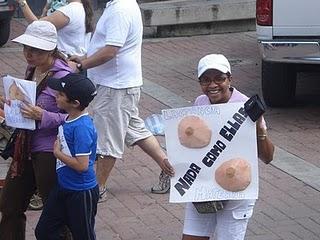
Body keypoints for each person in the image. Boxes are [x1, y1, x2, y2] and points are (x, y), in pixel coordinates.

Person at [69, 0, 174, 202]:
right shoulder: (120, 5)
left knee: (108, 140)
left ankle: (98, 189)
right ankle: (172, 169)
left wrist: (82, 65)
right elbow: (106, 46)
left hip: (115, 86)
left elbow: (111, 50)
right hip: (120, 85)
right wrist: (84, 56)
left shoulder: (120, 9)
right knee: (134, 129)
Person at [181, 54, 275, 240]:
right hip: (205, 187)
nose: (212, 85)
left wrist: (256, 125)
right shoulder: (200, 102)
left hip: (236, 189)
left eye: (219, 78)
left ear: (229, 79)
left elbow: (268, 157)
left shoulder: (246, 106)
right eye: (206, 80)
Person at [0, 20, 73, 240]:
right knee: (10, 204)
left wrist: (43, 116)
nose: (28, 54)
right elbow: (28, 104)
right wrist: (10, 105)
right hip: (26, 146)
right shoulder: (33, 69)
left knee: (55, 210)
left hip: (50, 150)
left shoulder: (63, 76)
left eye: (35, 49)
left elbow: (75, 117)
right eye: (26, 48)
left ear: (50, 49)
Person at [35, 73, 99, 240]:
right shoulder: (69, 118)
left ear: (75, 103)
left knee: (83, 236)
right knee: (44, 230)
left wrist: (57, 154)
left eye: (61, 94)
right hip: (64, 187)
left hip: (81, 192)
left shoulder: (82, 127)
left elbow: (82, 165)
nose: (56, 96)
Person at [16, 0, 94, 57]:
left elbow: (36, 26)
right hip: (74, 60)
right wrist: (46, 10)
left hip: (65, 62)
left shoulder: (69, 10)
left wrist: (23, 3)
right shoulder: (81, 6)